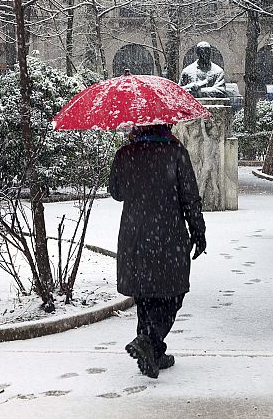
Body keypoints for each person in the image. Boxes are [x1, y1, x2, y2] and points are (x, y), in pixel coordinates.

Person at [108, 124, 207, 378]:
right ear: (165, 124)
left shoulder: (125, 153)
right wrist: (198, 231)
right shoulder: (175, 152)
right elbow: (190, 196)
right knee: (172, 294)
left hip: (135, 235)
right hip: (168, 234)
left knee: (145, 294)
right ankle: (149, 341)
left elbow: (116, 193)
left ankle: (154, 352)